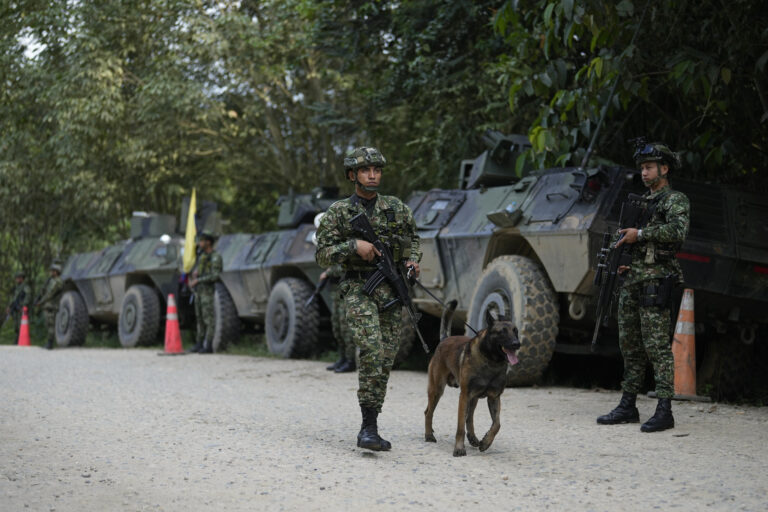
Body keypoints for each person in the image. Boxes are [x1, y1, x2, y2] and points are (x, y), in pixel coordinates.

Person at [315, 146, 421, 451]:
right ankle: (368, 429)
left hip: (392, 290)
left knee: (385, 358)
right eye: (365, 170)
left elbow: (414, 239)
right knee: (372, 349)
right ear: (353, 175)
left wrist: (413, 261)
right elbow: (322, 255)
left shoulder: (396, 208)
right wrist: (353, 246)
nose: (372, 175)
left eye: (376, 170)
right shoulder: (339, 212)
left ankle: (372, 421)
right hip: (358, 289)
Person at [597, 141, 690, 432]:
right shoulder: (641, 202)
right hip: (633, 279)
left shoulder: (674, 200)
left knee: (657, 346)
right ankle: (628, 405)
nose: (644, 173)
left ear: (664, 169)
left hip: (656, 281)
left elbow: (678, 231)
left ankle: (665, 409)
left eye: (649, 167)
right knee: (630, 345)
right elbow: (637, 242)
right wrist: (626, 260)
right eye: (642, 168)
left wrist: (640, 234)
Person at [187, 231, 222, 354]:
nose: (199, 243)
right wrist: (195, 274)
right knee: (200, 319)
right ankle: (199, 343)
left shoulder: (215, 257)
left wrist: (198, 280)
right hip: (199, 292)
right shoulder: (202, 257)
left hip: (208, 292)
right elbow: (199, 271)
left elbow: (215, 276)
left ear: (208, 242)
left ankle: (209, 345)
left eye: (202, 241)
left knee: (209, 319)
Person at [324, 264, 356, 373]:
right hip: (337, 293)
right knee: (337, 327)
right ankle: (343, 358)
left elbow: (344, 267)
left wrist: (328, 272)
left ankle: (351, 361)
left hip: (347, 292)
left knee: (345, 329)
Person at [36, 263, 64, 350]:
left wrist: (41, 302)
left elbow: (49, 294)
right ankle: (49, 342)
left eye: (53, 271)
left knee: (51, 324)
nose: (51, 272)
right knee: (48, 324)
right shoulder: (51, 280)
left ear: (56, 272)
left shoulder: (57, 281)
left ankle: (50, 343)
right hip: (49, 305)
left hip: (52, 306)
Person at [7, 272, 32, 342]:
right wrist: (9, 306)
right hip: (15, 307)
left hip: (21, 308)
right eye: (16, 278)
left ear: (22, 278)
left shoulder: (25, 287)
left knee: (21, 324)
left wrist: (24, 306)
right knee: (16, 324)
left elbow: (28, 297)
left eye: (18, 278)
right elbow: (14, 298)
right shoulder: (17, 287)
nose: (17, 279)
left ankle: (20, 339)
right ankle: (17, 338)